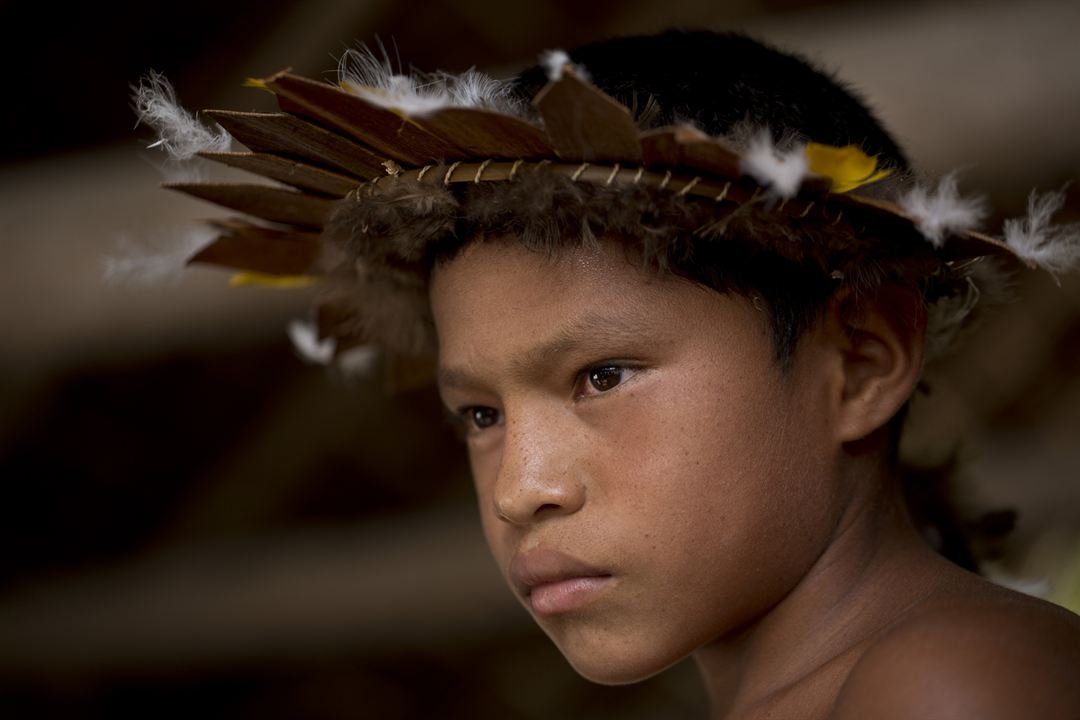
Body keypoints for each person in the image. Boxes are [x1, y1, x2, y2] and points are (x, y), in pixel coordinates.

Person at [136, 29, 1080, 718]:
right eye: (477, 414)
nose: (520, 491)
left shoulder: (951, 686)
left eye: (602, 376)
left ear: (863, 362)